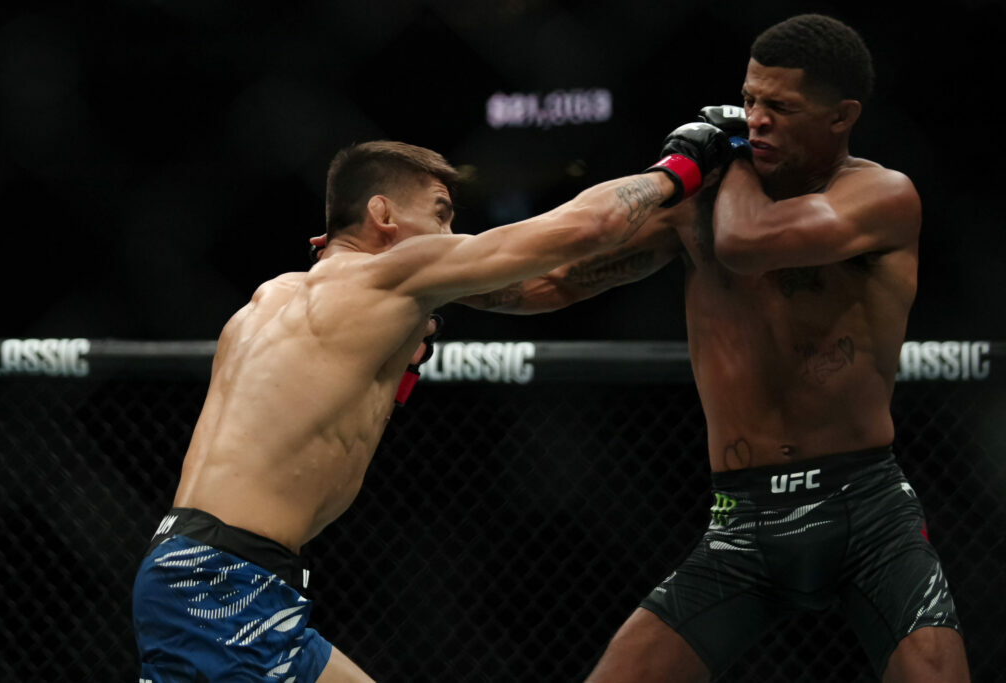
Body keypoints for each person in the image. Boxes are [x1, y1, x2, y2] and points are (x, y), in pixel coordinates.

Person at [463, 14, 970, 683]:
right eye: (749, 100)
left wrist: (724, 157)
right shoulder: (698, 208)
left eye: (780, 107)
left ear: (841, 116)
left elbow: (746, 243)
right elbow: (550, 282)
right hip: (742, 521)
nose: (755, 120)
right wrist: (417, 284)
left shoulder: (881, 196)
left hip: (868, 513)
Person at [131, 134, 731, 682]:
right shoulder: (389, 276)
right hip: (224, 585)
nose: (449, 234)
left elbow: (550, 285)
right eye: (441, 213)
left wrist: (672, 228)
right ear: (383, 214)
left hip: (209, 571)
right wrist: (683, 165)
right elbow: (586, 227)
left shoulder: (268, 300)